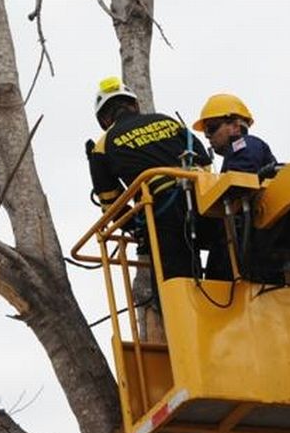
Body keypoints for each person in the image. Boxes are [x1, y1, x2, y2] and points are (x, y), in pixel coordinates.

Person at [86, 76, 213, 280]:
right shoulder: (168, 121)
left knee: (175, 285)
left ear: (104, 120)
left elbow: (111, 204)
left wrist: (137, 230)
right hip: (206, 202)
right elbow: (206, 164)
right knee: (227, 253)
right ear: (135, 105)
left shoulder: (102, 147)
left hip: (162, 216)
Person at [193, 93, 290, 285]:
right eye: (206, 132)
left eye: (212, 129)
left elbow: (242, 177)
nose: (208, 137)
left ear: (235, 126)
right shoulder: (236, 154)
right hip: (260, 250)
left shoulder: (245, 144)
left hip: (254, 247)